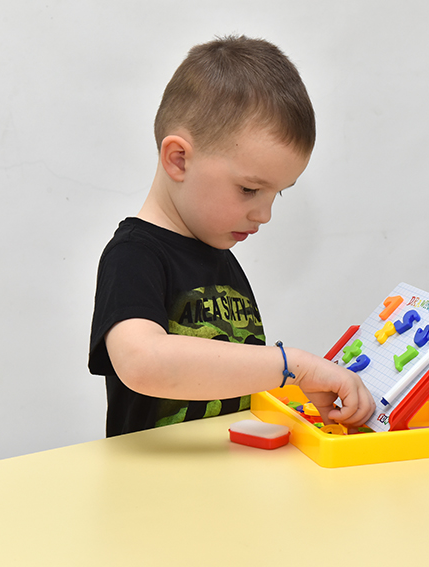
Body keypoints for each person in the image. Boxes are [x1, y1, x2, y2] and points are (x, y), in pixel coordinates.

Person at [88, 35, 374, 436]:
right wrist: (292, 366)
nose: (265, 215)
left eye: (277, 194)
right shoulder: (133, 255)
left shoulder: (219, 253)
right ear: (178, 159)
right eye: (249, 189)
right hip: (152, 476)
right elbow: (143, 362)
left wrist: (302, 387)